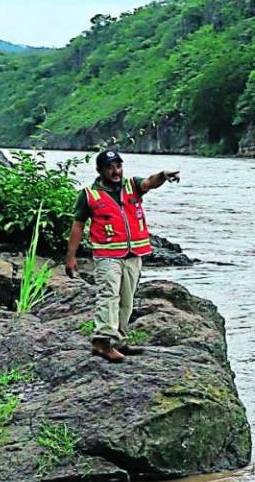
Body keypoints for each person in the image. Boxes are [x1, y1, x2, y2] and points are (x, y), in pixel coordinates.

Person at [66, 149, 180, 363]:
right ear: (100, 170)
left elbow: (149, 182)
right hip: (107, 255)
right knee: (108, 295)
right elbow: (78, 226)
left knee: (127, 300)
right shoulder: (90, 195)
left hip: (132, 254)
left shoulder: (132, 186)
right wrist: (71, 257)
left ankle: (118, 339)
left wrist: (164, 175)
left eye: (118, 166)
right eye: (110, 167)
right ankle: (102, 342)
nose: (115, 171)